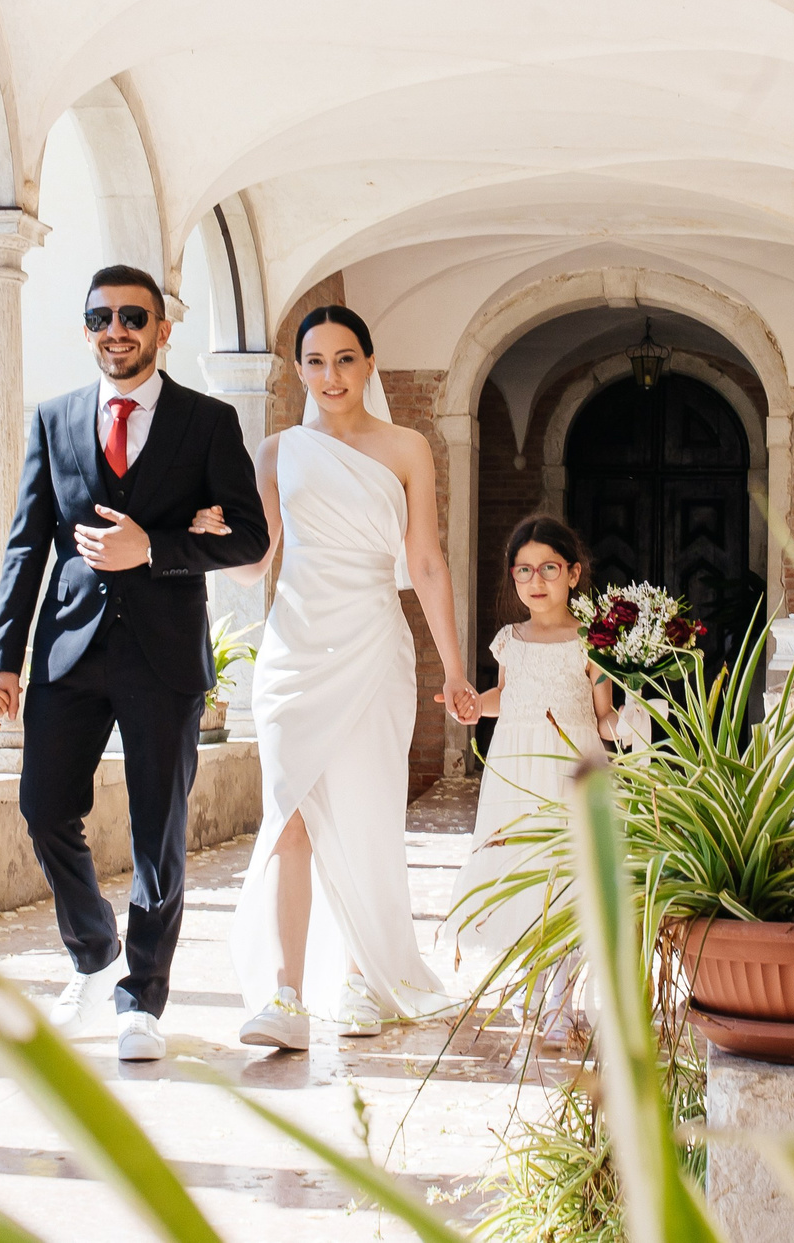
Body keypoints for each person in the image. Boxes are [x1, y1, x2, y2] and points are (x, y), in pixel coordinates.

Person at [0, 265, 270, 1063]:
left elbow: (250, 536)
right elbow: (26, 546)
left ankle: (143, 996)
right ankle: (94, 951)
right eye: (101, 316)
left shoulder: (207, 421)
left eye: (133, 316)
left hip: (163, 652)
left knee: (157, 832)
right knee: (43, 808)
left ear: (163, 327)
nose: (117, 329)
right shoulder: (55, 418)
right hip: (69, 649)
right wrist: (3, 659)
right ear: (86, 327)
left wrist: (158, 549)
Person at [219, 304, 476, 1050]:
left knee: (366, 809)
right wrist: (210, 533)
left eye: (344, 359)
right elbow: (252, 564)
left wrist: (455, 667)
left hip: (372, 643)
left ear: (369, 364)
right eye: (316, 361)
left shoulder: (407, 447)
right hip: (293, 648)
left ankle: (366, 975)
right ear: (298, 370)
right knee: (288, 815)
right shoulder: (275, 451)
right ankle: (285, 991)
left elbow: (424, 560)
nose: (330, 375)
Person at [444, 516, 615, 1038]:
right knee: (521, 872)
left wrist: (631, 721)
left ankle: (562, 1001)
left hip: (572, 766)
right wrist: (475, 706)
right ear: (513, 577)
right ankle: (534, 988)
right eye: (523, 570)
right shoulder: (509, 639)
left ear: (573, 573)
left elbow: (603, 712)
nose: (535, 581)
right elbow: (506, 697)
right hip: (515, 768)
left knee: (568, 873)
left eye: (548, 568)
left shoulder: (593, 639)